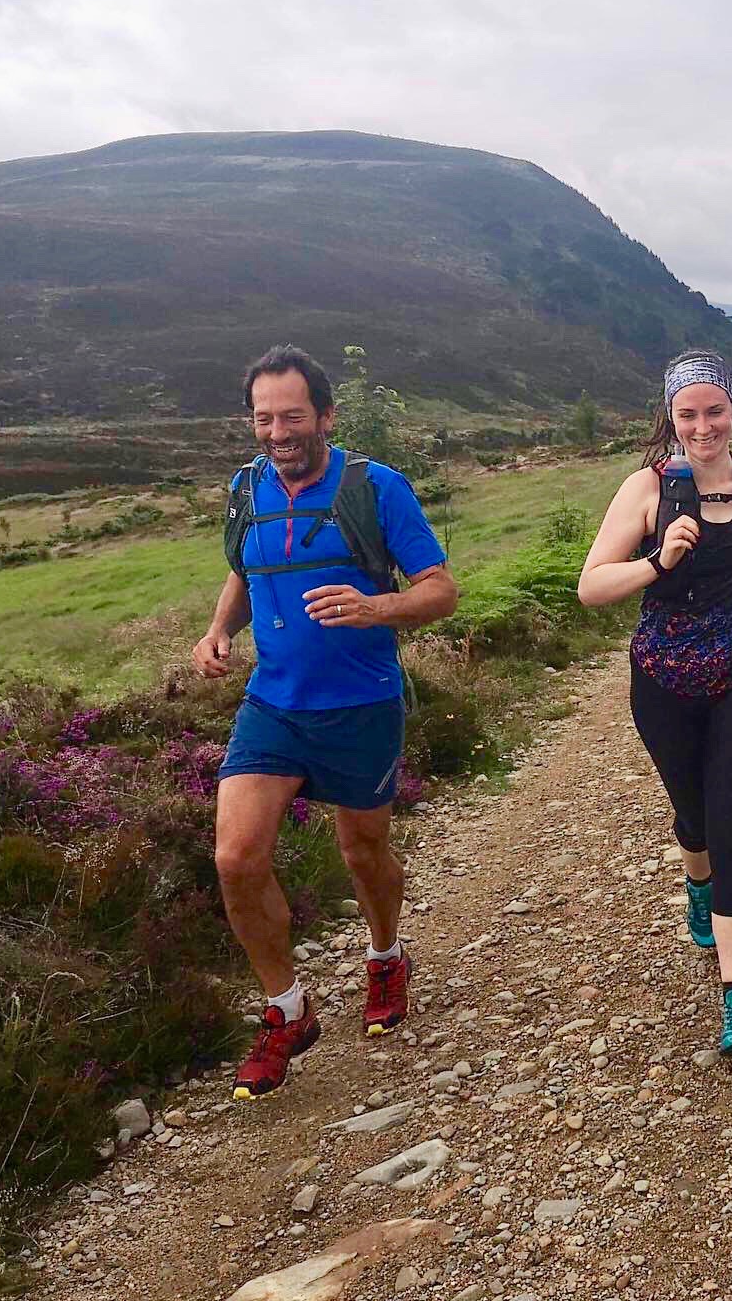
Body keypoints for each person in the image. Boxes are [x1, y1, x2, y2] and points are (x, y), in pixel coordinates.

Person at [193, 346, 458, 1099]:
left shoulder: (375, 488)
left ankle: (385, 956)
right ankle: (287, 1010)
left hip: (361, 704)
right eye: (264, 417)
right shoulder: (247, 490)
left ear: (326, 417)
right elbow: (247, 572)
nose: (277, 431)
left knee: (363, 853)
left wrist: (376, 607)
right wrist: (219, 630)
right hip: (273, 705)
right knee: (236, 859)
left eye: (292, 416)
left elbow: (441, 590)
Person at [578, 350, 732, 1057]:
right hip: (663, 681)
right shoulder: (646, 490)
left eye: (714, 410)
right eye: (688, 414)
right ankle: (698, 882)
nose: (703, 425)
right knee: (695, 819)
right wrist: (659, 560)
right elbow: (591, 587)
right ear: (672, 418)